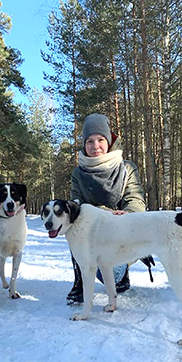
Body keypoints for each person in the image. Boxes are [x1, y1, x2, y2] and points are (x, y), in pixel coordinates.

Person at [67, 113, 147, 305]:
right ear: (84, 145)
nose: (95, 146)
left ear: (109, 141)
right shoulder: (78, 173)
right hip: (92, 232)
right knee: (72, 227)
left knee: (113, 275)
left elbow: (135, 199)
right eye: (90, 141)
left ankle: (122, 273)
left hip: (123, 232)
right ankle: (80, 281)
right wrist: (105, 213)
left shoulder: (126, 168)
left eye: (100, 140)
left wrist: (127, 214)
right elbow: (75, 205)